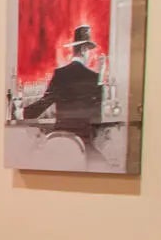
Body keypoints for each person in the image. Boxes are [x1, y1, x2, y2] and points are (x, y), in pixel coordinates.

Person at [22, 23, 104, 151]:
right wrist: (101, 74)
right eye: (89, 51)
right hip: (84, 141)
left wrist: (22, 112)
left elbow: (44, 103)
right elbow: (98, 113)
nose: (90, 55)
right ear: (84, 50)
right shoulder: (93, 77)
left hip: (62, 140)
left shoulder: (60, 74)